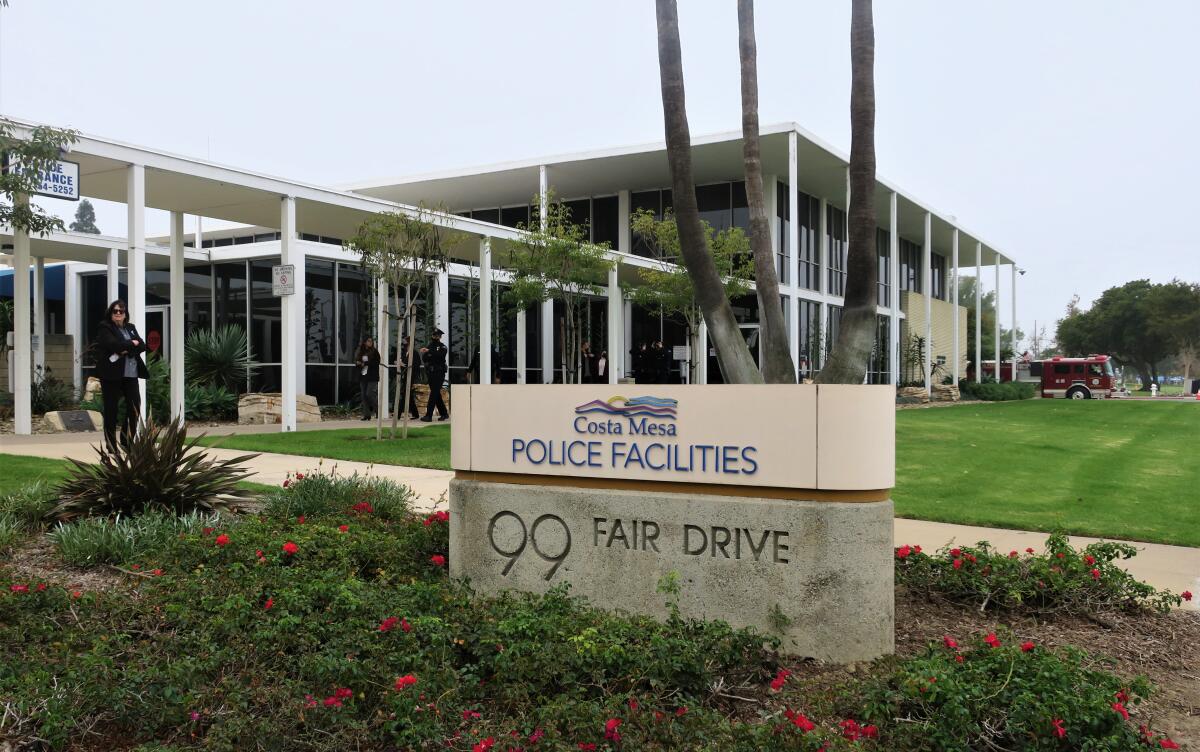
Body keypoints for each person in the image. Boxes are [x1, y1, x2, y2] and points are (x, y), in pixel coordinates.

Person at [93, 299, 149, 450]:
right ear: (110, 313)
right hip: (111, 374)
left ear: (125, 314)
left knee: (134, 407)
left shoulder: (130, 327)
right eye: (115, 311)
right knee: (111, 409)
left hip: (131, 374)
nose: (118, 313)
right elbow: (113, 345)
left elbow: (143, 345)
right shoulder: (105, 327)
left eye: (121, 311)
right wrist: (132, 344)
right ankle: (111, 445)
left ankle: (127, 441)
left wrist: (126, 348)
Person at [419, 328, 449, 422]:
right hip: (431, 373)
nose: (435, 337)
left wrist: (430, 352)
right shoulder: (430, 346)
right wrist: (430, 353)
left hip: (439, 373)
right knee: (436, 394)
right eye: (434, 335)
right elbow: (425, 358)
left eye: (437, 336)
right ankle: (444, 413)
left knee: (433, 394)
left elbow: (440, 356)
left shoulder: (443, 347)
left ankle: (428, 416)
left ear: (440, 337)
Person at [355, 337, 381, 420]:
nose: (370, 342)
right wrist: (358, 363)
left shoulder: (374, 352)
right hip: (363, 376)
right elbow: (357, 362)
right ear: (364, 342)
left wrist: (365, 363)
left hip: (372, 376)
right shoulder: (361, 352)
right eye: (368, 341)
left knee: (369, 394)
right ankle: (367, 415)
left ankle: (378, 411)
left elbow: (376, 363)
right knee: (363, 396)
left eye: (371, 341)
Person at [397, 336, 421, 419]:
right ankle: (415, 414)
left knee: (404, 394)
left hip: (411, 376)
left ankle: (398, 414)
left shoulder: (414, 353)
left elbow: (416, 365)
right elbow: (404, 362)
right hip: (405, 375)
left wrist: (405, 365)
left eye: (406, 343)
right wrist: (400, 363)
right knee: (408, 395)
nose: (405, 345)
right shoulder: (405, 353)